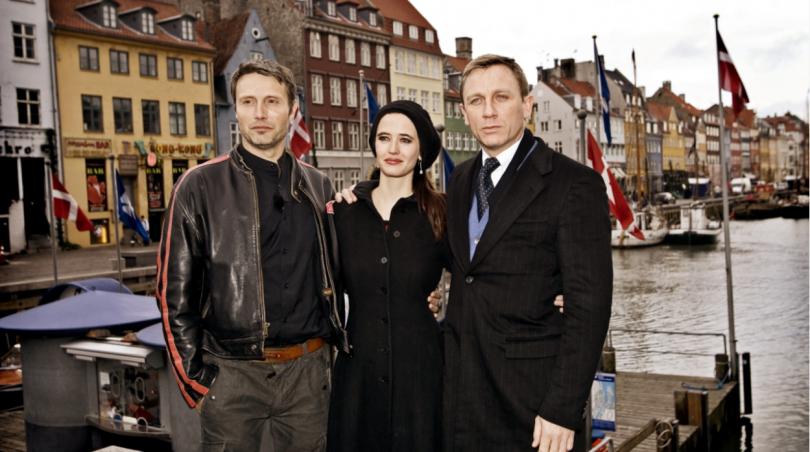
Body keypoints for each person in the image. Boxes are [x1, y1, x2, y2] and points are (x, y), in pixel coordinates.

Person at [157, 58, 440, 452]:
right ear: (235, 108)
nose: (259, 113)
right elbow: (173, 296)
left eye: (272, 102)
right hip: (233, 374)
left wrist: (422, 291)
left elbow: (358, 262)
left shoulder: (319, 186)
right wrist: (196, 383)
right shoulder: (198, 186)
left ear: (292, 112)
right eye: (248, 102)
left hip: (310, 374)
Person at [447, 55, 611, 452]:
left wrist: (562, 409)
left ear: (527, 104)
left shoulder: (574, 184)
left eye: (501, 97)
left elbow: (589, 308)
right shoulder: (460, 179)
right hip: (462, 399)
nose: (488, 111)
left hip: (534, 407)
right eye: (476, 101)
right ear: (464, 112)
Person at [326, 101, 449, 452]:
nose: (393, 149)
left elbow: (481, 278)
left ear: (422, 150)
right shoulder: (342, 214)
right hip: (358, 377)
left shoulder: (441, 213)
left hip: (421, 377)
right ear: (374, 145)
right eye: (384, 138)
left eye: (405, 140)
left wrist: (550, 292)